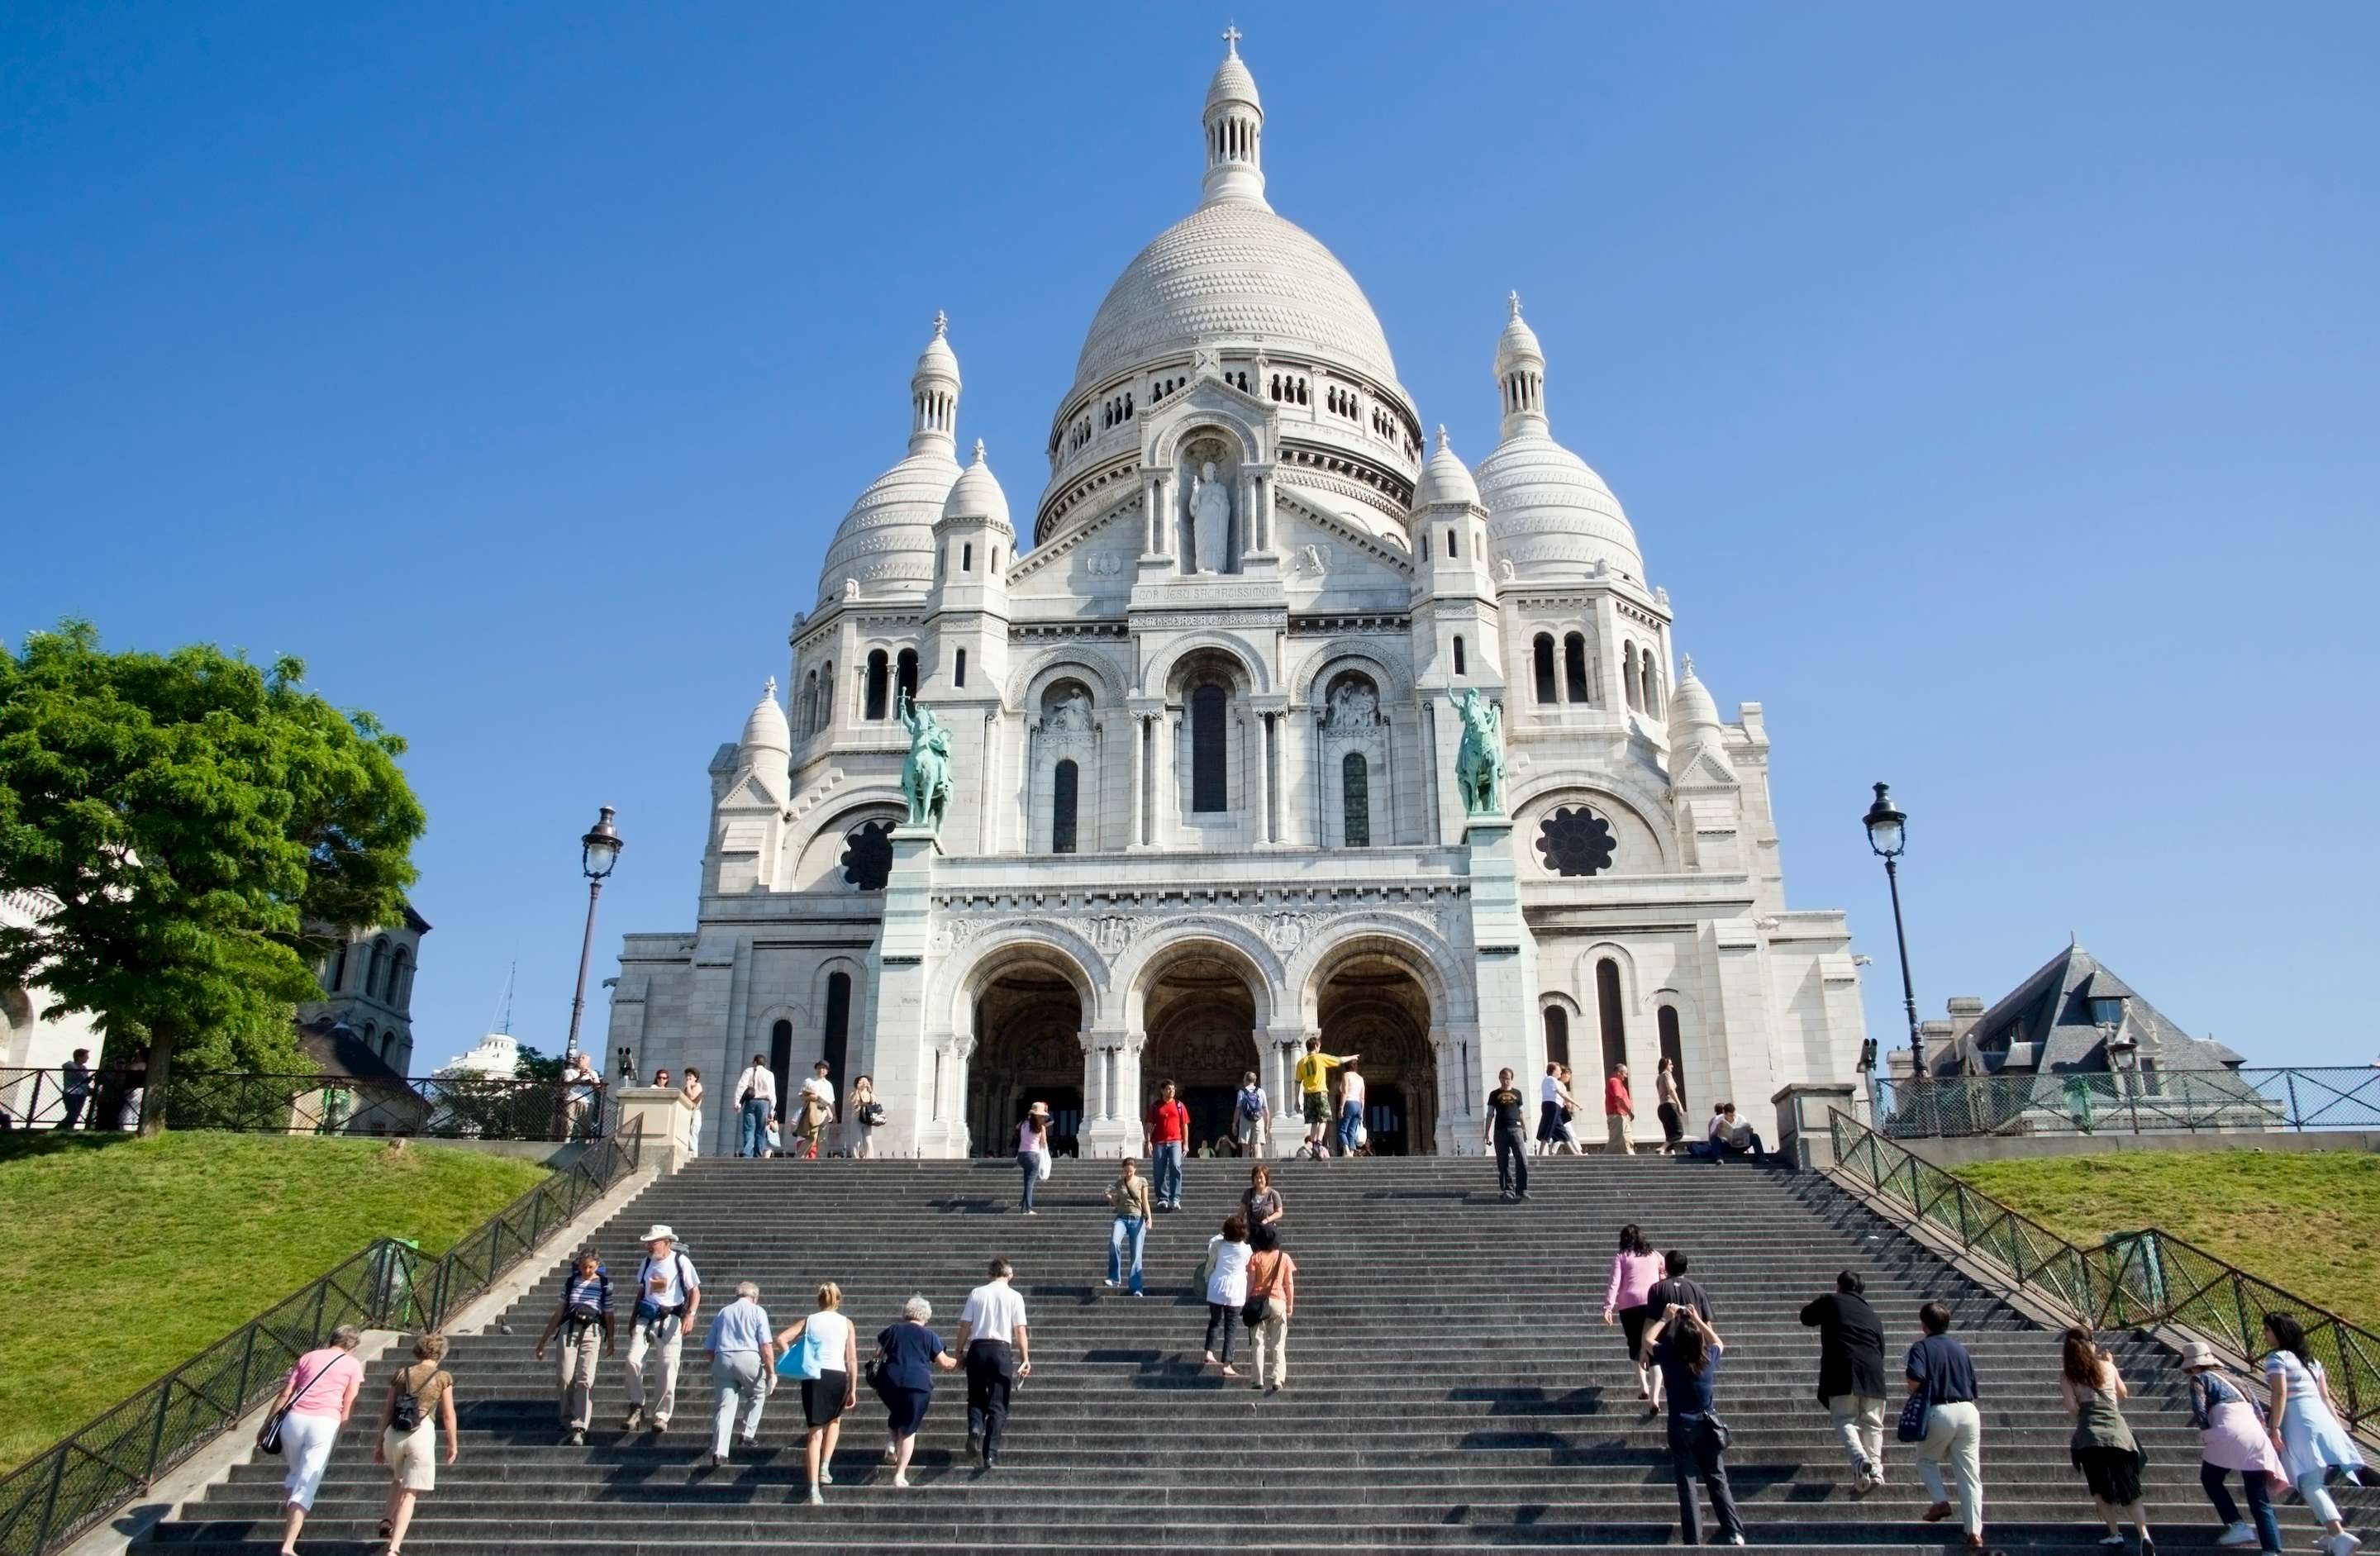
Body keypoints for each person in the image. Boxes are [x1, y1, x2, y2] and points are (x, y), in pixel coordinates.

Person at [2261, 1312, 2366, 1556]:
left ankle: (2338, 1533)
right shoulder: (2312, 1362)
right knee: (2313, 1479)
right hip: (2321, 1418)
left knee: (2308, 1481)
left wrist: (2274, 1426)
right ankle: (2332, 1535)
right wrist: (2337, 1428)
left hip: (2297, 1421)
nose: (2265, 1335)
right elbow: (2326, 1398)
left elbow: (2280, 1394)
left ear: (2280, 1332)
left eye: (2267, 1330)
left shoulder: (2277, 1358)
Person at [1643, 1301, 1745, 1546]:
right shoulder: (1708, 1358)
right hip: (1708, 1426)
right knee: (1717, 1478)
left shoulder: (1669, 1356)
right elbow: (1719, 1342)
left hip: (1680, 1426)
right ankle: (1734, 1532)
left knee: (1687, 1485)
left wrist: (1665, 1318)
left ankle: (1693, 1538)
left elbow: (1647, 1340)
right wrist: (1697, 1320)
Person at [264, 1324, 364, 1556]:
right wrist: (343, 1428)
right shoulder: (351, 1364)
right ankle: (288, 1545)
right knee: (308, 1481)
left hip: (293, 1420)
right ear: (353, 1345)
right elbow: (349, 1401)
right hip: (324, 1422)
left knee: (294, 1474)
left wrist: (267, 1423)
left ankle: (292, 1529)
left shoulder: (308, 1357)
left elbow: (286, 1393)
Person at [2178, 1339, 2286, 1554]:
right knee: (2258, 1497)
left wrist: (2207, 1433)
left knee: (2210, 1479)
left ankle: (2236, 1524)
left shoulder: (2199, 1379)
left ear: (2193, 1365)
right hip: (2255, 1434)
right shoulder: (2238, 1380)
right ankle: (2272, 1550)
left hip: (2227, 1430)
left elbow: (2200, 1410)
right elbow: (2257, 1409)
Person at [2062, 1326, 2154, 1554]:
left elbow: (2072, 1408)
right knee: (2130, 1488)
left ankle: (2115, 1533)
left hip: (2089, 1437)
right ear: (2091, 1344)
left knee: (2099, 1488)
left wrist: (2085, 1412)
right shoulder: (2107, 1366)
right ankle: (2144, 1535)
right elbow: (2123, 1394)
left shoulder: (2068, 1375)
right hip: (2117, 1433)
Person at [1906, 1301, 1985, 1549]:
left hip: (1940, 1410)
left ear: (1924, 1325)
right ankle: (1974, 1531)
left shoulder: (1921, 1347)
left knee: (1926, 1459)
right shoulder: (1961, 1349)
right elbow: (1973, 1387)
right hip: (1969, 1411)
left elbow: (1915, 1380)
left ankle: (1940, 1501)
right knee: (1969, 1474)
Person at [1800, 1269, 1887, 1494]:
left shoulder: (1832, 1301)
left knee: (1845, 1418)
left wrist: (1824, 1300)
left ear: (1839, 1286)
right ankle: (1876, 1470)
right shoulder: (1872, 1314)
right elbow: (1882, 1348)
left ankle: (1859, 1459)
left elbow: (1806, 1317)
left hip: (1843, 1370)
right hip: (1874, 1373)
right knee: (1873, 1424)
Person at [372, 1332, 457, 1556]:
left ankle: (387, 1519)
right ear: (441, 1354)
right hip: (421, 1432)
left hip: (394, 1434)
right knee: (410, 1492)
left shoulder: (401, 1373)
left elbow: (387, 1411)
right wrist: (452, 1444)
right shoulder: (442, 1377)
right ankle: (394, 1547)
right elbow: (448, 1415)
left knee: (398, 1478)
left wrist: (379, 1443)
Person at [774, 1282, 857, 1503]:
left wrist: (796, 1358)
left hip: (814, 1376)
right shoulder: (846, 1323)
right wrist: (853, 1388)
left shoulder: (810, 1320)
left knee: (814, 1433)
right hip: (837, 1376)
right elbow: (851, 1360)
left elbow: (781, 1338)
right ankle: (825, 1466)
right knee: (835, 1422)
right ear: (838, 1300)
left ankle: (813, 1490)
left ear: (819, 1300)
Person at [621, 1224, 700, 1434]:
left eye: (653, 1242)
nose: (649, 1246)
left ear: (666, 1242)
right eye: (648, 1243)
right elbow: (642, 1291)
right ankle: (637, 1405)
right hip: (645, 1318)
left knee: (667, 1368)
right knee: (632, 1360)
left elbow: (695, 1291)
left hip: (671, 1319)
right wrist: (632, 1318)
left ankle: (662, 1416)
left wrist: (690, 1315)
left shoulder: (680, 1261)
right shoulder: (646, 1262)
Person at [533, 1246, 614, 1444]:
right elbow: (559, 1312)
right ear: (578, 1266)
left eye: (591, 1267)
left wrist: (611, 1339)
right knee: (565, 1377)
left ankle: (580, 1426)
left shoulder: (605, 1284)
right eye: (584, 1267)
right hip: (569, 1328)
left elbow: (609, 1314)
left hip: (592, 1330)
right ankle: (567, 1419)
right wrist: (543, 1341)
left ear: (597, 1266)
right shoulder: (570, 1282)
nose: (587, 1271)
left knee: (586, 1378)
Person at [957, 1256, 1031, 1472]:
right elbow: (1020, 1330)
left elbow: (964, 1325)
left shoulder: (977, 1293)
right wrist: (1025, 1358)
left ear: (989, 1274)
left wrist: (959, 1351)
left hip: (978, 1349)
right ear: (1010, 1275)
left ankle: (975, 1427)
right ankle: (989, 1454)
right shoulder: (1014, 1296)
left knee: (976, 1397)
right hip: (1001, 1351)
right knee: (998, 1404)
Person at [874, 1296, 957, 1487]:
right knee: (909, 1429)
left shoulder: (893, 1330)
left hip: (889, 1381)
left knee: (897, 1412)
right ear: (925, 1316)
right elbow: (944, 1362)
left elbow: (877, 1354)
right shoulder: (929, 1336)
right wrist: (959, 1361)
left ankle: (891, 1442)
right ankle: (899, 1474)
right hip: (917, 1383)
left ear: (907, 1313)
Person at [702, 1280, 776, 1468]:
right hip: (749, 1357)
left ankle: (719, 1452)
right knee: (758, 1393)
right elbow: (766, 1346)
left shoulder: (723, 1312)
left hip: (723, 1357)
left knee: (724, 1407)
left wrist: (718, 1365)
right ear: (755, 1297)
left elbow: (709, 1348)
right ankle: (747, 1433)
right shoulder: (758, 1311)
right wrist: (771, 1372)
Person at [1602, 1224, 1668, 1405]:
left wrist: (1608, 1307)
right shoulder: (1654, 1255)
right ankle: (1655, 1398)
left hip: (1628, 1305)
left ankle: (1643, 1388)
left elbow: (1614, 1283)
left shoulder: (1621, 1256)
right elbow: (1667, 1268)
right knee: (1653, 1348)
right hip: (1652, 1303)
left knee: (1635, 1346)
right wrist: (1661, 1278)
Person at [1200, 1212, 1253, 1378]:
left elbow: (1212, 1247)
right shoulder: (1246, 1250)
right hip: (1235, 1290)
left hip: (1216, 1286)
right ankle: (1227, 1363)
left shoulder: (1218, 1245)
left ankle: (1209, 1352)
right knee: (1231, 1328)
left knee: (1214, 1321)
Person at [1246, 1221, 1297, 1393]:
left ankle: (1257, 1379)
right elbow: (1289, 1283)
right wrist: (1290, 1304)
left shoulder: (1255, 1257)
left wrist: (1247, 1301)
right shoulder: (1284, 1257)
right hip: (1278, 1301)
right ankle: (1277, 1378)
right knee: (1278, 1344)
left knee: (1258, 1343)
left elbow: (1250, 1282)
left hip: (1258, 1303)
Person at [1294, 1036, 1357, 1159]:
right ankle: (1318, 1142)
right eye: (1319, 1046)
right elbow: (1339, 1060)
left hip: (1308, 1094)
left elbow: (1297, 1083)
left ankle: (1312, 1146)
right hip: (1320, 1092)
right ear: (1316, 1046)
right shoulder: (1320, 1058)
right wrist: (1352, 1057)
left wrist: (1297, 1100)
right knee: (1324, 1119)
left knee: (1313, 1122)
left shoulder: (1301, 1063)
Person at [1106, 1156, 1153, 1295]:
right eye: (1126, 1171)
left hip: (1137, 1219)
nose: (1128, 1174)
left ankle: (1136, 1288)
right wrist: (1110, 1198)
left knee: (1136, 1255)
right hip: (1121, 1218)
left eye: (1131, 1171)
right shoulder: (1120, 1183)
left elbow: (1145, 1201)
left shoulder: (1141, 1181)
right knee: (1114, 1242)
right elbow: (1118, 1202)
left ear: (1135, 1169)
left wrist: (1149, 1218)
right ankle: (1114, 1277)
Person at [1485, 1068, 1530, 1200]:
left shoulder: (1517, 1093)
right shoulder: (1494, 1094)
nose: (1505, 1081)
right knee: (1503, 1162)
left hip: (1516, 1129)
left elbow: (1521, 1113)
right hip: (1500, 1130)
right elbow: (1490, 1114)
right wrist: (1486, 1132)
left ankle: (1522, 1189)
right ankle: (1508, 1189)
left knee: (1522, 1159)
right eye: (1502, 1078)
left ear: (1511, 1079)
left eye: (1507, 1078)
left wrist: (1524, 1129)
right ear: (1499, 1078)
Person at [1146, 1081, 1189, 1210]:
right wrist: (1148, 1141)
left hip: (1176, 1141)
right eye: (1169, 1089)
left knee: (1176, 1165)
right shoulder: (1155, 1107)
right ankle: (1162, 1198)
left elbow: (1184, 1125)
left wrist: (1186, 1144)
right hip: (1159, 1142)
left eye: (1173, 1089)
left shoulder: (1179, 1105)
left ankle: (1175, 1197)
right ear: (1162, 1090)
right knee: (1159, 1170)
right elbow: (1149, 1125)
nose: (1172, 1091)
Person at [1646, 1250, 1711, 1328]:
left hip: (1664, 1339)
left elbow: (1650, 1320)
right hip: (1693, 1338)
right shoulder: (1698, 1289)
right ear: (1687, 1268)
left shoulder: (1656, 1289)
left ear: (1666, 1268)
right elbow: (1706, 1321)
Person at [1692, 1102, 1766, 1162]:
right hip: (1726, 1146)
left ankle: (1760, 1157)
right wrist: (1717, 1129)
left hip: (1740, 1145)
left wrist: (1749, 1132)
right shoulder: (1718, 1119)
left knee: (1755, 1136)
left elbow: (1748, 1133)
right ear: (1725, 1114)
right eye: (1731, 1116)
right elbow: (1711, 1137)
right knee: (1715, 1137)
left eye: (1734, 1115)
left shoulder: (1741, 1118)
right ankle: (1718, 1157)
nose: (1733, 1118)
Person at [733, 1053, 775, 1159]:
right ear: (764, 1064)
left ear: (755, 1062)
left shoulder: (749, 1071)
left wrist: (737, 1103)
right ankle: (758, 1154)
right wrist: (772, 1109)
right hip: (764, 1103)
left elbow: (741, 1086)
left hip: (751, 1102)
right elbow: (772, 1093)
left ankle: (747, 1154)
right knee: (760, 1130)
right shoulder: (770, 1074)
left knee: (749, 1129)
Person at [795, 1060, 835, 1159]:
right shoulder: (809, 1081)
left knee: (823, 1139)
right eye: (820, 1068)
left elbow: (831, 1101)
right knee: (812, 1136)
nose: (822, 1070)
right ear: (816, 1069)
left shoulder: (828, 1084)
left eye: (824, 1068)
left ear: (827, 1071)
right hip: (813, 1110)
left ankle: (821, 1160)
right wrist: (813, 1097)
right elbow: (802, 1096)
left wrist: (833, 1115)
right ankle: (800, 1157)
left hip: (825, 1110)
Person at [1535, 1062, 1577, 1157]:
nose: (1560, 1072)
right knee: (1548, 1128)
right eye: (1559, 1070)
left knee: (1562, 1131)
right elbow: (1562, 1094)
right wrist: (1576, 1103)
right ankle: (1541, 1154)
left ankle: (1574, 1152)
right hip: (1552, 1106)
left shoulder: (1548, 1080)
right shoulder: (1551, 1080)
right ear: (1554, 1071)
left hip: (1554, 1107)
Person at [1016, 1101, 1050, 1214]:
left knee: (1027, 1182)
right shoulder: (1040, 1128)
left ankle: (1023, 1208)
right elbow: (1043, 1142)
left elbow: (1018, 1131)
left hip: (1021, 1155)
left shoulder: (1023, 1124)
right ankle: (1028, 1209)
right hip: (1033, 1156)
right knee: (1030, 1183)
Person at [564, 1050, 603, 1139]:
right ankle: (564, 1142)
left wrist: (592, 1078)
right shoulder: (570, 1072)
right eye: (579, 1057)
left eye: (583, 1058)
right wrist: (580, 1077)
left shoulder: (593, 1073)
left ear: (588, 1061)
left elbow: (598, 1088)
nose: (579, 1059)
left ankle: (583, 1146)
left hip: (588, 1102)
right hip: (572, 1100)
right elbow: (567, 1085)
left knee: (586, 1127)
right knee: (567, 1124)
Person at [1232, 1069, 1269, 1157]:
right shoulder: (1261, 1092)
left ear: (1246, 1080)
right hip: (1258, 1120)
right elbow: (1266, 1111)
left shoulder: (1241, 1092)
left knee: (1245, 1148)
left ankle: (1246, 1169)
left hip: (1245, 1119)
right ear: (1255, 1081)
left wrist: (1234, 1124)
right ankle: (1258, 1169)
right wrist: (1266, 1126)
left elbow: (1238, 1109)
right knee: (1258, 1146)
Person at [1335, 1056, 1367, 1156]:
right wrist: (1361, 1112)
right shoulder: (1361, 1079)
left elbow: (1344, 1092)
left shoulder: (1346, 1075)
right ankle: (1352, 1152)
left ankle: (1346, 1150)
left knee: (1342, 1129)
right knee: (1352, 1131)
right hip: (1358, 1105)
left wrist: (1341, 1108)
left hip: (1349, 1103)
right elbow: (1362, 1098)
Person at [1604, 1063, 1637, 1155]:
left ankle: (1633, 1161)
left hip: (1622, 1116)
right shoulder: (1614, 1081)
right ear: (1619, 1072)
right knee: (1614, 1143)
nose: (1626, 1076)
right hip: (1617, 1116)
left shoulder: (1618, 1083)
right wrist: (1629, 1112)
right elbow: (1618, 1098)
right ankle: (1600, 1162)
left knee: (1627, 1141)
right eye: (1625, 1073)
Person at [1655, 1057, 1686, 1154]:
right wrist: (1679, 1105)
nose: (1672, 1066)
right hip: (1669, 1106)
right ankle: (1663, 1148)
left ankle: (1670, 1151)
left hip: (1662, 1107)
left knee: (1670, 1132)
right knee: (1678, 1131)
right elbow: (1671, 1090)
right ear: (1666, 1065)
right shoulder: (1667, 1074)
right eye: (1670, 1064)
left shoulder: (1659, 1077)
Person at [1241, 1163, 1283, 1233]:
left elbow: (1279, 1212)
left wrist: (1267, 1219)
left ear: (1266, 1178)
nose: (1259, 1180)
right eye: (1256, 1177)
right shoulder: (1248, 1193)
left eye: (1261, 1177)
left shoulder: (1273, 1194)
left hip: (1268, 1233)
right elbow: (1241, 1212)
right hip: (1252, 1233)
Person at [847, 1073, 879, 1159]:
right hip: (857, 1117)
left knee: (868, 1139)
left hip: (867, 1117)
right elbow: (853, 1101)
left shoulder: (871, 1094)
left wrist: (870, 1090)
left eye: (865, 1080)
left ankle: (869, 1157)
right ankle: (855, 1156)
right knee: (856, 1139)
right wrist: (858, 1090)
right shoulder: (854, 1093)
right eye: (861, 1080)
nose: (864, 1082)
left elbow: (874, 1102)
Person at [60, 1048, 93, 1130]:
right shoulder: (70, 1065)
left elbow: (85, 1081)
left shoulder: (84, 1068)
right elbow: (81, 1077)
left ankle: (68, 1129)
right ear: (79, 1057)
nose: (88, 1058)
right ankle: (59, 1129)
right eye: (86, 1056)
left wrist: (89, 1088)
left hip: (81, 1093)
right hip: (71, 1092)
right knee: (73, 1113)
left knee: (76, 1113)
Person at [680, 1068, 704, 1158]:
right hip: (688, 1113)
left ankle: (693, 1155)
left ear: (695, 1078)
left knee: (693, 1134)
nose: (688, 1078)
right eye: (687, 1076)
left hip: (695, 1113)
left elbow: (692, 1097)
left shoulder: (698, 1086)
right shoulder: (687, 1088)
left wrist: (689, 1086)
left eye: (690, 1076)